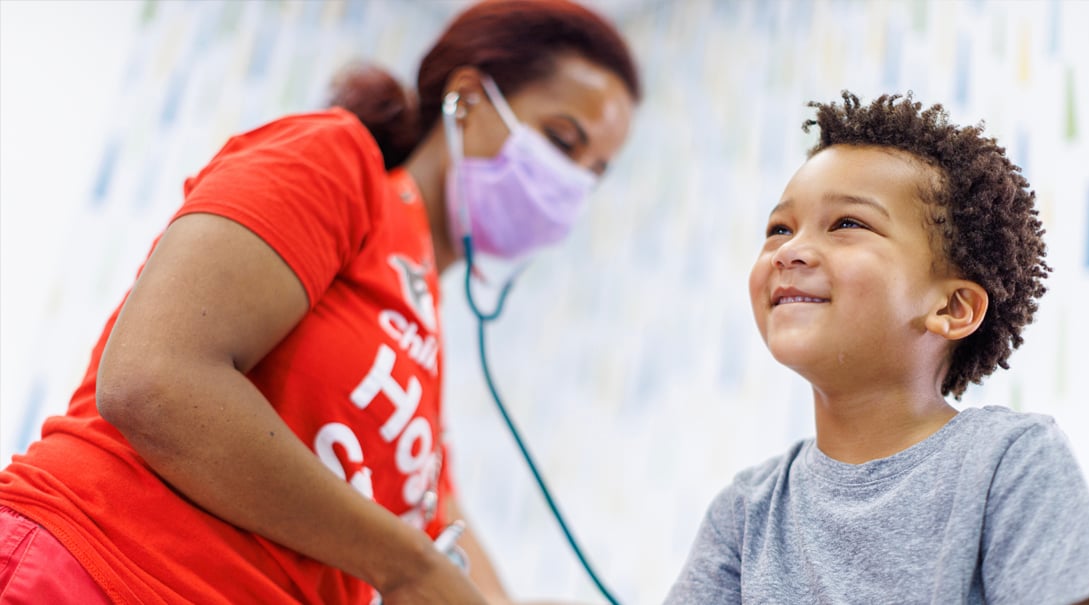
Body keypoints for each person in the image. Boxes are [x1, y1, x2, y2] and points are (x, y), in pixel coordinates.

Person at [0, 1, 639, 603]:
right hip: (96, 570)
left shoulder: (422, 344)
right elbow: (153, 378)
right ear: (468, 99)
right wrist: (405, 566)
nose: (573, 182)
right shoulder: (338, 162)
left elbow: (445, 537)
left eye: (595, 170)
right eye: (562, 141)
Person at [664, 91, 1089, 605]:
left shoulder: (1009, 461)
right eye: (779, 228)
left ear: (953, 308)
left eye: (847, 224)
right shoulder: (746, 513)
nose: (789, 251)